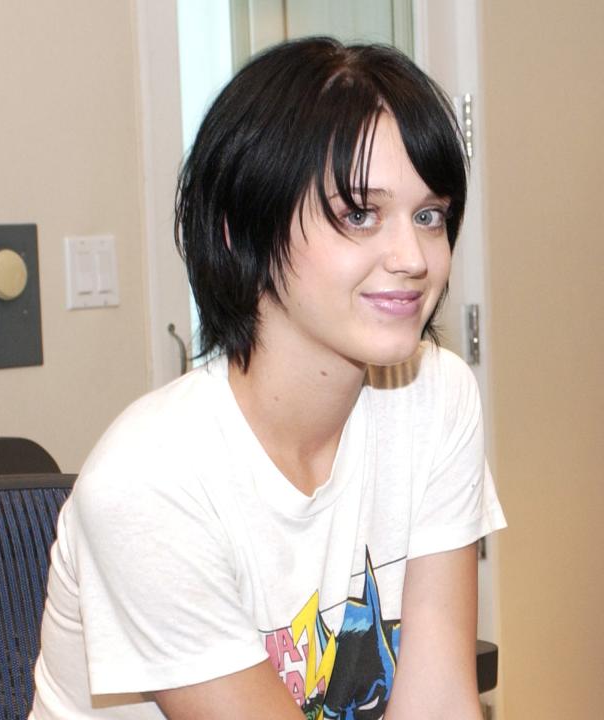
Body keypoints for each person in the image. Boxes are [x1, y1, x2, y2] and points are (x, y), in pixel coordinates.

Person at [30, 36, 506, 720]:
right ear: (238, 231)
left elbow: (440, 704)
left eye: (428, 215)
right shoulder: (148, 481)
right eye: (359, 213)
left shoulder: (437, 398)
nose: (413, 257)